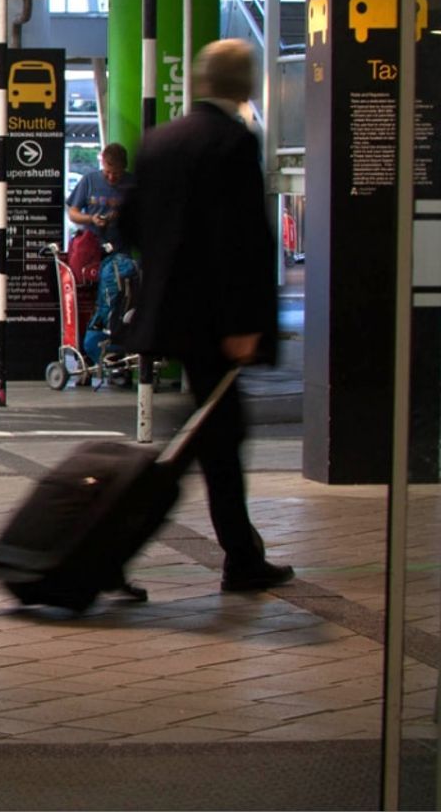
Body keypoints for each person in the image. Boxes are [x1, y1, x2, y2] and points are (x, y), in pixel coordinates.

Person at [115, 38, 293, 593]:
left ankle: (240, 553)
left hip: (171, 312)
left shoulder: (160, 140)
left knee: (212, 434)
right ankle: (116, 545)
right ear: (244, 85)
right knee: (202, 437)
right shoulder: (232, 142)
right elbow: (241, 241)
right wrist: (246, 322)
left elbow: (129, 228)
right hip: (217, 320)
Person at [69, 142, 132, 248]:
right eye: (107, 172)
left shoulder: (133, 183)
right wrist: (91, 219)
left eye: (116, 173)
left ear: (124, 167)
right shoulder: (89, 180)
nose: (111, 177)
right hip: (91, 247)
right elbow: (73, 213)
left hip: (121, 248)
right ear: (102, 163)